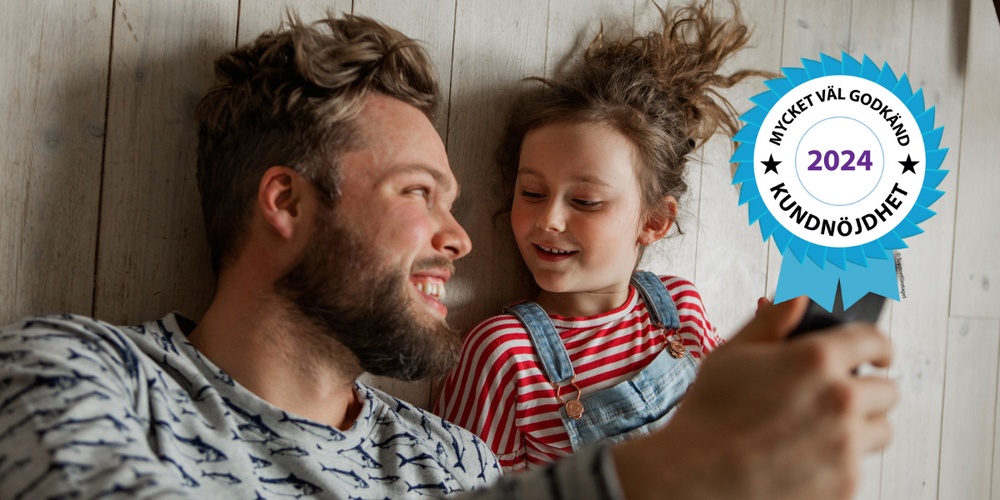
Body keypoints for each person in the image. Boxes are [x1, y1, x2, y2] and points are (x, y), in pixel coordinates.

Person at [0, 10, 896, 500]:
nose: (465, 238)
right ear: (286, 202)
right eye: (420, 193)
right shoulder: (74, 372)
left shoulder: (454, 466)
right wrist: (656, 474)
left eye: (462, 204)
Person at [435, 3, 764, 471]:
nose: (548, 218)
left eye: (585, 201)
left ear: (652, 221)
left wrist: (767, 371)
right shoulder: (504, 354)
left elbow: (732, 441)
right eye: (531, 192)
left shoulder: (679, 308)